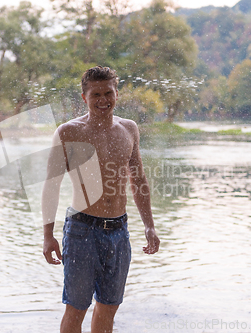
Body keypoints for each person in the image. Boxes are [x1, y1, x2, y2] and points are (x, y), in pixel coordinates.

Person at [42, 66, 160, 333]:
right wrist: (48, 235)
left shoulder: (129, 129)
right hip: (82, 230)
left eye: (108, 93)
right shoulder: (68, 132)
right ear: (84, 98)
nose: (103, 100)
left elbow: (138, 180)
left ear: (117, 94)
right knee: (77, 307)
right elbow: (51, 186)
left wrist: (149, 225)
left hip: (119, 232)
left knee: (109, 307)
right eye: (96, 94)